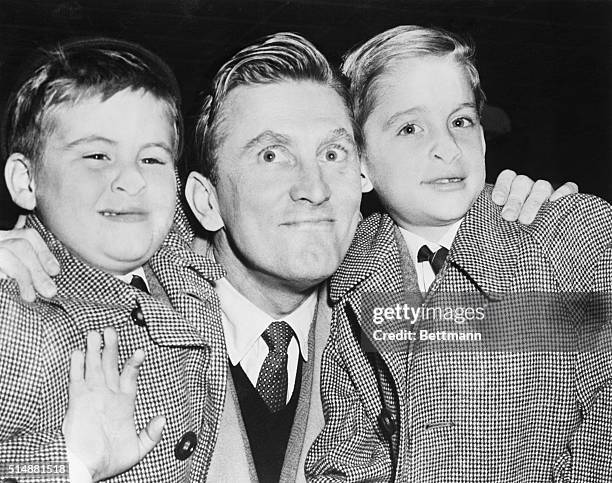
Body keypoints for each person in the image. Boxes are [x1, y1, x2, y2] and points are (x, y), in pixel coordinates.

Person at [0, 32, 577, 482]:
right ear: (205, 200)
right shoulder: (103, 313)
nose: (314, 187)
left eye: (332, 152)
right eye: (272, 155)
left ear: (361, 172)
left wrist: (536, 221)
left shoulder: (392, 308)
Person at [305, 25, 612, 482]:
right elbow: (347, 454)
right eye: (410, 128)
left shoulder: (566, 235)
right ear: (361, 165)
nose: (447, 148)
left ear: (484, 140)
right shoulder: (348, 276)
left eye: (461, 121)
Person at [0, 38, 228, 482]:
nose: (131, 179)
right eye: (97, 156)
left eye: (152, 158)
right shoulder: (17, 317)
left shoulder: (167, 249)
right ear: (26, 182)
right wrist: (74, 465)